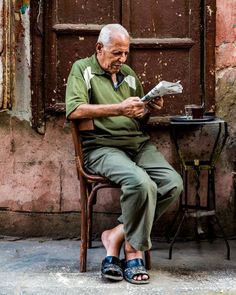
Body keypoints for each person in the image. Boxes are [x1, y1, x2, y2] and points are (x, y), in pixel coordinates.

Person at [66, 23, 183, 284]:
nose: (122, 59)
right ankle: (132, 251)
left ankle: (117, 234)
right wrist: (118, 108)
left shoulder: (128, 74)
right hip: (101, 147)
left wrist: (148, 108)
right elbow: (74, 111)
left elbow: (139, 117)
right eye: (117, 53)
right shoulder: (82, 70)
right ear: (99, 48)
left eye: (126, 54)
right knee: (141, 184)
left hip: (137, 144)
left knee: (173, 184)